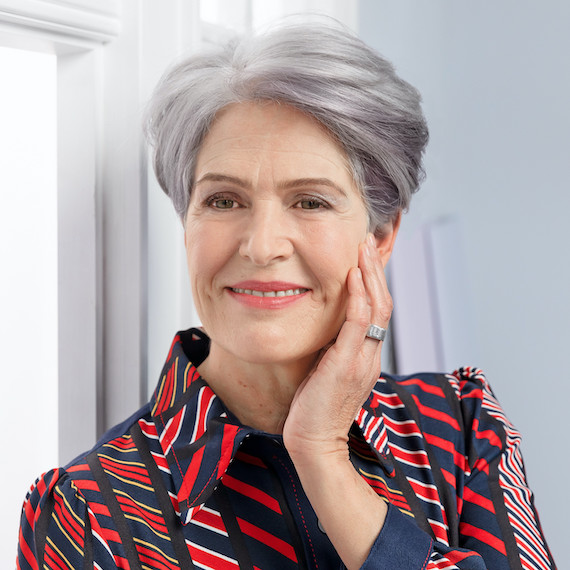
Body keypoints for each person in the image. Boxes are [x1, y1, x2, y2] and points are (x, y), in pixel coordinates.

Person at [17, 20, 555, 570]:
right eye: (224, 201)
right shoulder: (87, 512)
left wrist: (322, 457)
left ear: (382, 234)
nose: (262, 245)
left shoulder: (459, 430)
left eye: (310, 201)